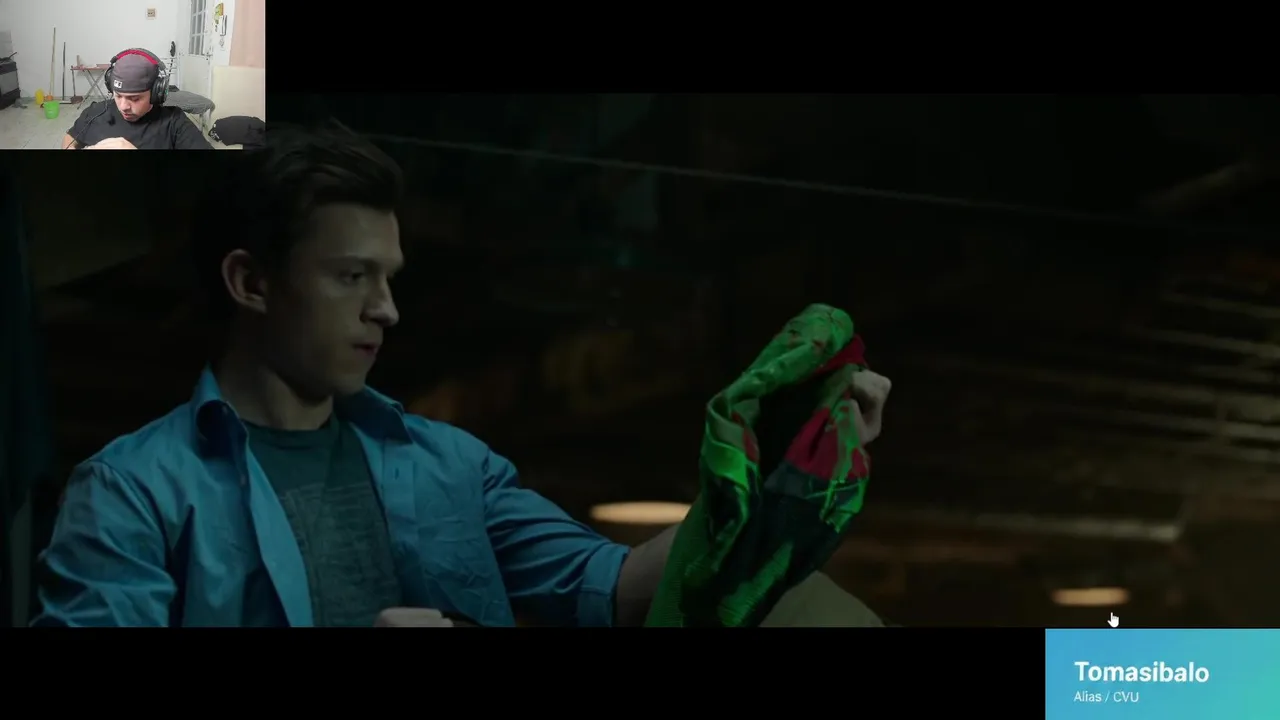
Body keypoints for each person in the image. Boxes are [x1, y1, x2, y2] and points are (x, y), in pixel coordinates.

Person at [32, 123, 893, 627]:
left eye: (390, 279)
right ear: (250, 282)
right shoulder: (132, 493)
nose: (386, 310)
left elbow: (614, 589)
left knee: (814, 608)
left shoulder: (450, 466)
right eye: (351, 276)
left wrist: (769, 455)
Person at [60, 48, 211, 150]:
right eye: (118, 96)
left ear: (156, 93)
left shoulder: (175, 123)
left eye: (134, 99)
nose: (123, 106)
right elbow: (70, 138)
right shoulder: (95, 112)